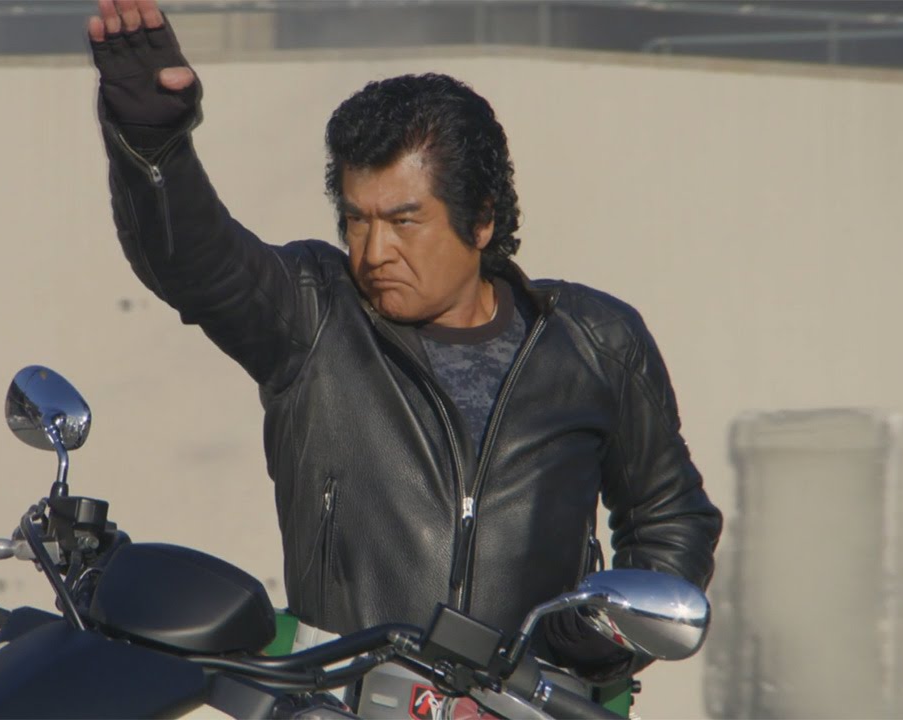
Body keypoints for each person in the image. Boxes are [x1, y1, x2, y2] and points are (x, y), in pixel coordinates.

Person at [87, 0, 721, 682]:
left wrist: (599, 641)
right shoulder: (312, 314)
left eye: (403, 221)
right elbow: (192, 263)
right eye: (357, 220)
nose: (374, 250)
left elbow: (669, 517)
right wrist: (152, 145)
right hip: (338, 699)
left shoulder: (597, 342)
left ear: (481, 220)